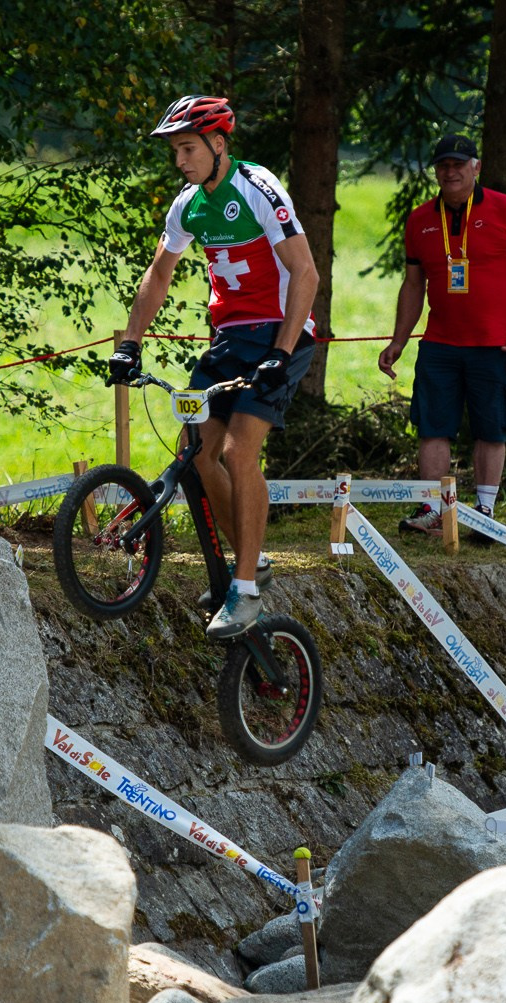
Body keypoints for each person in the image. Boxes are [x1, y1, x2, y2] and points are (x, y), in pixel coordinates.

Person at [106, 94, 320, 639]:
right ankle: (253, 561)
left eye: (188, 148)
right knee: (199, 454)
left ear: (218, 144)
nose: (180, 160)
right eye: (175, 150)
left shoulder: (257, 186)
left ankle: (244, 589)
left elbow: (306, 273)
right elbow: (158, 277)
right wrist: (130, 343)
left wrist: (282, 349)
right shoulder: (189, 204)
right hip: (230, 338)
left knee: (237, 451)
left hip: (281, 335)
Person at [377, 132, 506, 536]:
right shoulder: (418, 219)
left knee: (491, 426)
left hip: (494, 342)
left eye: (458, 164)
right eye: (443, 165)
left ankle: (484, 514)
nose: (450, 172)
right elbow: (413, 285)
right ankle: (433, 510)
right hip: (440, 344)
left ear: (475, 167)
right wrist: (399, 339)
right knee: (433, 425)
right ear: (436, 171)